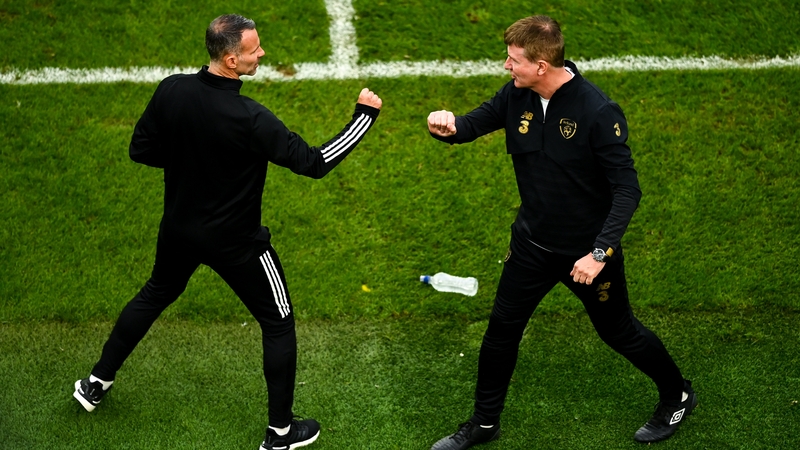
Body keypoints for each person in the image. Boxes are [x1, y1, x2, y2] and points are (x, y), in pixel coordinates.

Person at [72, 14, 382, 450]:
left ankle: (94, 384)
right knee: (278, 323)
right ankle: (280, 434)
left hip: (179, 230)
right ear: (232, 60)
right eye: (255, 50)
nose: (263, 54)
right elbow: (313, 163)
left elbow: (140, 149)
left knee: (153, 295)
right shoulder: (250, 117)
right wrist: (363, 117)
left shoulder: (171, 89)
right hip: (237, 243)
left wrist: (191, 162)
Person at [426, 15, 695, 449]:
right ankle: (484, 422)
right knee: (501, 330)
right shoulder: (518, 94)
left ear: (541, 66)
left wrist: (600, 253)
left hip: (585, 255)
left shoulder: (596, 111)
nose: (506, 67)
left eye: (514, 60)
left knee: (619, 332)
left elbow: (627, 189)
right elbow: (472, 124)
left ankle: (678, 393)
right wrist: (448, 125)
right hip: (531, 244)